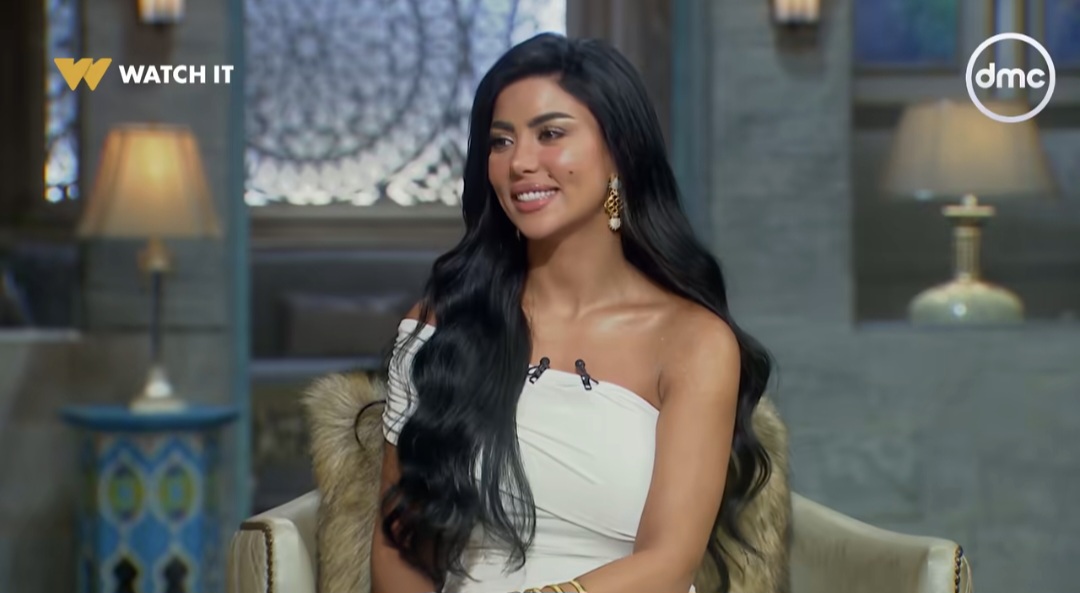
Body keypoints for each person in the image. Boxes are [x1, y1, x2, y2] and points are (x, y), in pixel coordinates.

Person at [370, 32, 774, 593]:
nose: (520, 163)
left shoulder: (692, 341)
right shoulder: (444, 324)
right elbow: (399, 545)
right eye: (501, 141)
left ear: (618, 153)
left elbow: (670, 560)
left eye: (551, 134)